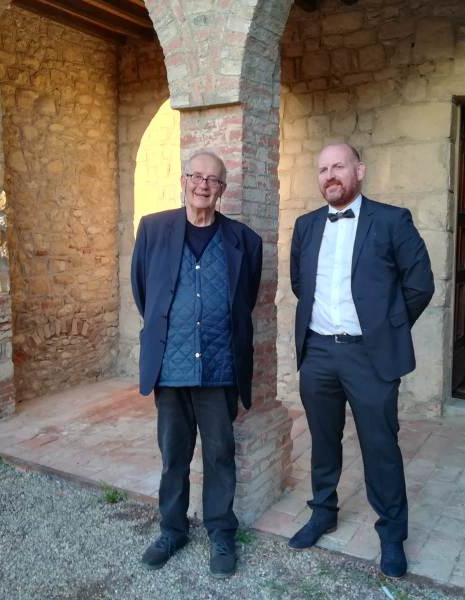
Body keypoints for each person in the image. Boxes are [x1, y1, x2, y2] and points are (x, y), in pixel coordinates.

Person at [288, 143, 434, 578]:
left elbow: (420, 284)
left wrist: (385, 328)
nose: (330, 175)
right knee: (322, 440)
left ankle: (391, 535)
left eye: (338, 166)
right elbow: (300, 283)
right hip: (318, 351)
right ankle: (323, 512)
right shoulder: (306, 226)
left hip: (369, 355)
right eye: (322, 169)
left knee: (380, 446)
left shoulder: (391, 220)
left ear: (360, 171)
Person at [131, 150, 263, 578]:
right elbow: (144, 293)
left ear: (222, 189)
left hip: (220, 368)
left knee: (220, 455)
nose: (203, 185)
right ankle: (173, 531)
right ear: (184, 180)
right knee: (174, 456)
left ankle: (221, 533)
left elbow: (245, 301)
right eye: (196, 176)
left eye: (213, 180)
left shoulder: (244, 240)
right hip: (171, 369)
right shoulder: (153, 230)